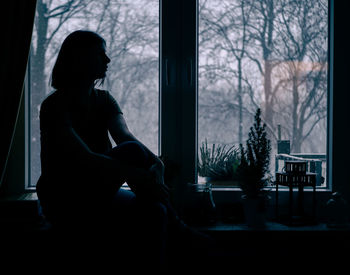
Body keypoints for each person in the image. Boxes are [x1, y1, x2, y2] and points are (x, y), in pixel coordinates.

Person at [36, 30, 212, 271]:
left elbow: (125, 136)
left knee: (155, 210)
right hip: (63, 195)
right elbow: (85, 159)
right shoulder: (54, 106)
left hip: (96, 188)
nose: (107, 60)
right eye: (100, 54)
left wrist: (157, 164)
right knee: (132, 153)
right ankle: (180, 229)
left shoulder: (104, 99)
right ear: (80, 58)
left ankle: (171, 239)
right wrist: (139, 174)